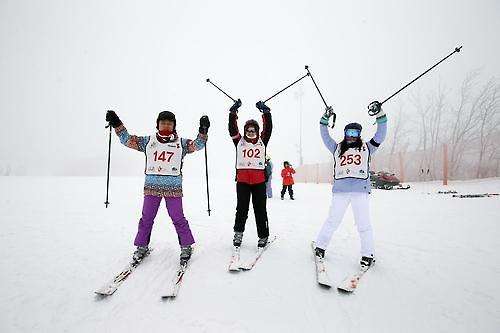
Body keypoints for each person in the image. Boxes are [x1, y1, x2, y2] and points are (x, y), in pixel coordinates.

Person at [105, 110, 210, 266]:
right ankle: (142, 247)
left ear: (174, 125)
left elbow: (198, 145)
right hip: (151, 188)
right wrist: (116, 123)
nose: (166, 125)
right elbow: (127, 140)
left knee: (178, 218)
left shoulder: (181, 144)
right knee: (146, 218)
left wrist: (203, 130)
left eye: (169, 123)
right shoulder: (148, 141)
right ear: (158, 124)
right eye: (163, 122)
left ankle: (186, 246)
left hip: (173, 189)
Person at [313, 101, 387, 270]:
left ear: (359, 134)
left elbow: (381, 134)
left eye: (355, 132)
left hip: (360, 191)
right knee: (333, 220)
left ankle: (368, 254)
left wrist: (380, 114)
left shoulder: (367, 147)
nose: (351, 135)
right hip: (340, 192)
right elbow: (324, 135)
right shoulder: (337, 148)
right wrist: (325, 118)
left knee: (363, 224)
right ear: (345, 133)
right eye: (349, 132)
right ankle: (320, 247)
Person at [228, 99, 272, 248]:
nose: (251, 132)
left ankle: (263, 235)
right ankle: (238, 233)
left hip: (259, 182)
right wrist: (233, 113)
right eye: (248, 130)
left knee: (260, 209)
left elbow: (269, 128)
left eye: (253, 130)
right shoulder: (239, 141)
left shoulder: (262, 141)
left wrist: (266, 112)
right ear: (245, 131)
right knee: (242, 209)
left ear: (257, 132)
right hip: (243, 182)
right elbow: (232, 129)